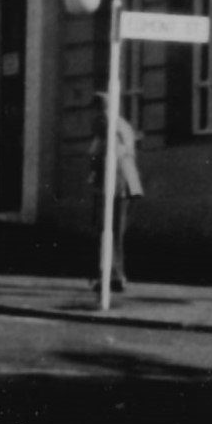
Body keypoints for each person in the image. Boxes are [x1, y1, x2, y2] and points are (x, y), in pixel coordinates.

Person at [87, 96, 143, 290]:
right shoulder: (123, 124)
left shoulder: (104, 123)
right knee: (116, 231)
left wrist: (94, 173)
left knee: (105, 230)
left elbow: (98, 152)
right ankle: (116, 275)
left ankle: (107, 276)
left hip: (112, 181)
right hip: (125, 182)